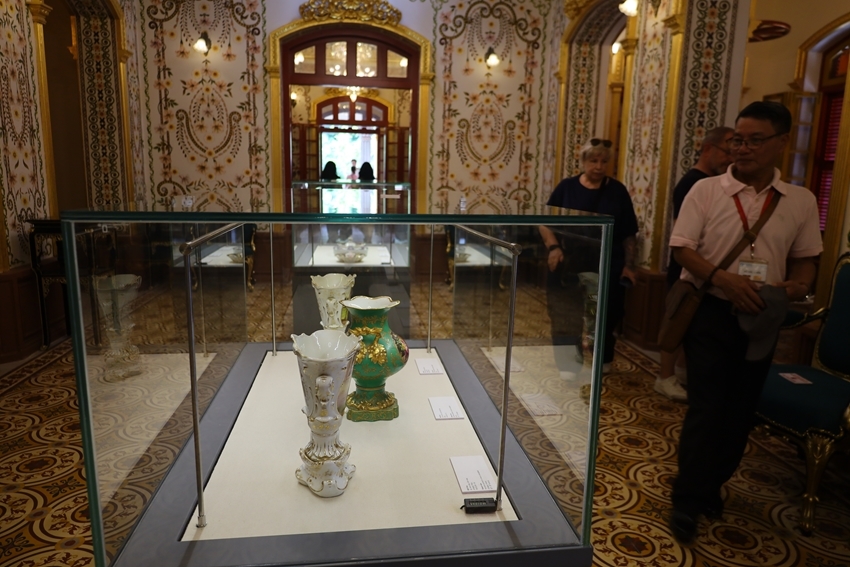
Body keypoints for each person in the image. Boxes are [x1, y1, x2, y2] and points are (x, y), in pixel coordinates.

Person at [667, 101, 821, 545]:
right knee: (707, 405)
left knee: (740, 409)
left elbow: (806, 260)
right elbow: (682, 249)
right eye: (738, 139)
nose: (743, 148)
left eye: (755, 140)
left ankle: (711, 484)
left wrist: (797, 286)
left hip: (762, 314)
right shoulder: (706, 190)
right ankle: (687, 498)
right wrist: (723, 279)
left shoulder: (800, 201)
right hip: (710, 310)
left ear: (781, 142)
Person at [540, 138, 639, 372]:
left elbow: (629, 233)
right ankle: (568, 364)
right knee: (566, 313)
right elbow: (544, 222)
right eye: (594, 161)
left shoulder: (617, 191)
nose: (599, 166)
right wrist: (554, 247)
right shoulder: (567, 187)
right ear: (583, 160)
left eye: (604, 162)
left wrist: (629, 265)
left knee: (605, 314)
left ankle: (602, 358)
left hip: (606, 262)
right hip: (570, 261)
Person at [656, 126, 735, 402]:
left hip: (707, 270)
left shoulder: (716, 184)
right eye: (726, 151)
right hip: (686, 267)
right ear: (708, 148)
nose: (731, 158)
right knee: (677, 321)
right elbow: (686, 233)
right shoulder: (693, 183)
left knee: (693, 325)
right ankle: (665, 377)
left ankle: (681, 371)